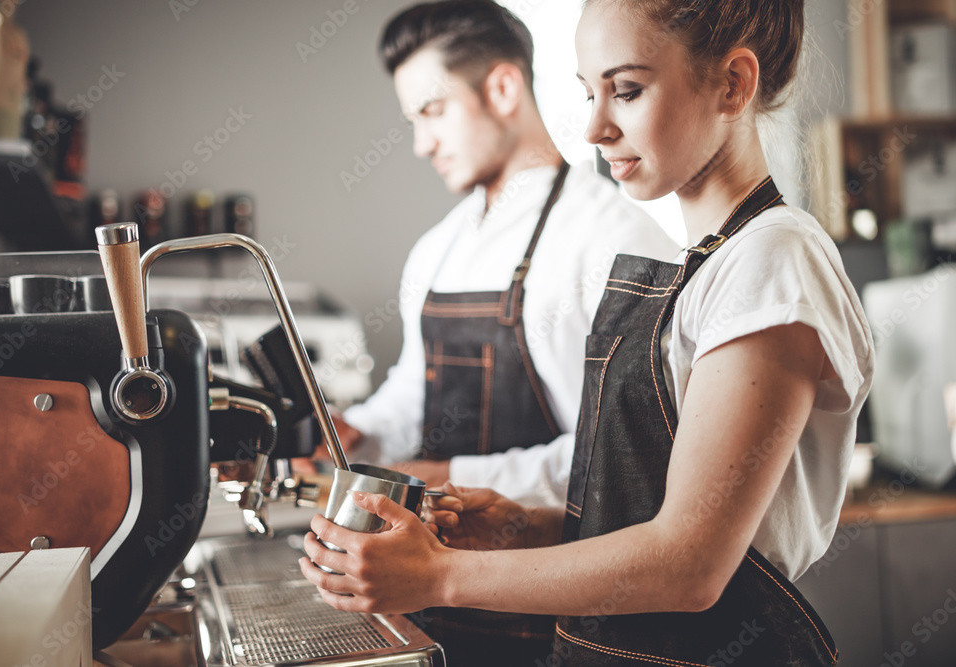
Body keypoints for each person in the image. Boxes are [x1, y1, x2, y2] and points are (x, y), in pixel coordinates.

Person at [300, 0, 876, 665]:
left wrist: (439, 574)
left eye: (626, 90)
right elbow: (651, 510)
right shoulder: (707, 264)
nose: (596, 127)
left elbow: (689, 564)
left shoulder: (774, 258)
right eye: (588, 93)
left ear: (733, 85)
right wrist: (522, 525)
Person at [310, 0, 677, 508]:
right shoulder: (436, 249)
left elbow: (625, 455)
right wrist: (356, 433)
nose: (421, 143)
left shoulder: (614, 242)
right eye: (413, 119)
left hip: (557, 568)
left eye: (433, 111)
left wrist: (445, 476)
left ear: (503, 89)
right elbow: (417, 390)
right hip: (442, 566)